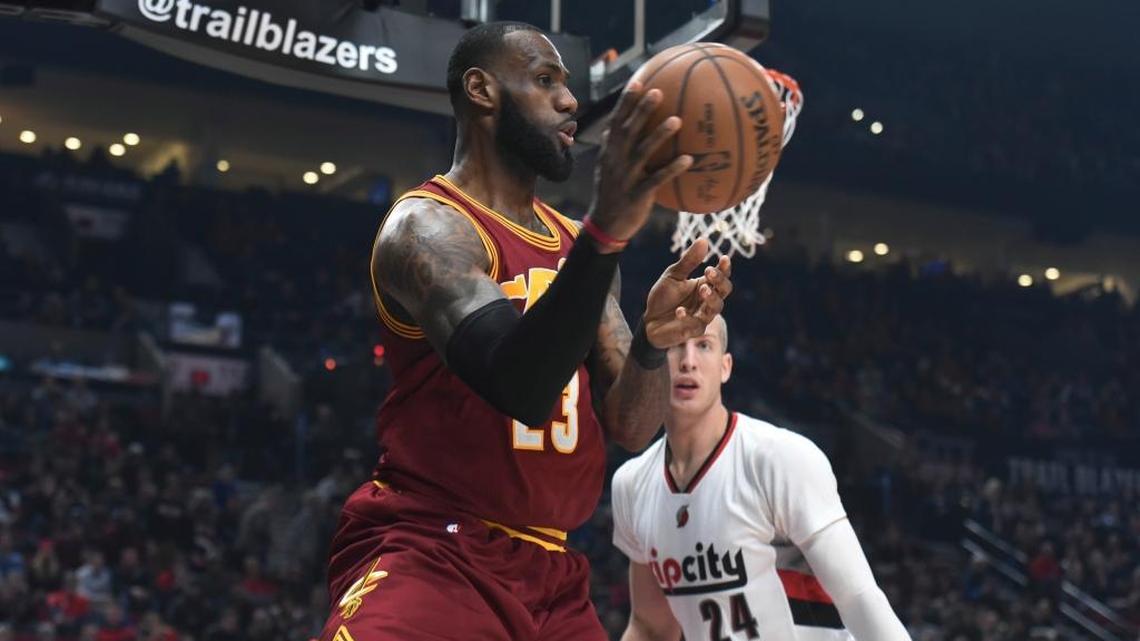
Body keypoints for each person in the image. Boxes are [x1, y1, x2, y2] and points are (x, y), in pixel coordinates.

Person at [319, 21, 734, 641]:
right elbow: (519, 385)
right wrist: (606, 234)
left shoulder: (574, 242)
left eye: (566, 85)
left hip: (554, 577)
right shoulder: (427, 229)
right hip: (436, 548)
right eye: (545, 81)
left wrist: (654, 343)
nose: (570, 102)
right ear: (482, 90)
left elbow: (631, 424)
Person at [612, 316, 911, 641]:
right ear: (651, 364)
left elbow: (858, 597)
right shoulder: (631, 484)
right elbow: (651, 627)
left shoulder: (781, 458)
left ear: (725, 367)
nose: (688, 361)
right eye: (673, 345)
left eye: (703, 345)